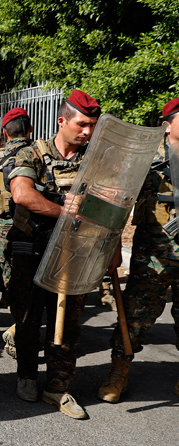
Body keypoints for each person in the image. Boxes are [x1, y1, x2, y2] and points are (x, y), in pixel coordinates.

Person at [6, 89, 105, 418]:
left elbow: (108, 205)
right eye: (82, 124)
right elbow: (22, 194)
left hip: (75, 253)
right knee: (27, 317)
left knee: (68, 322)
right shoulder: (32, 153)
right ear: (62, 121)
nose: (87, 132)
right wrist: (65, 211)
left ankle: (58, 387)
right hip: (32, 249)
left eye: (92, 126)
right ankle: (26, 376)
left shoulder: (93, 161)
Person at [98, 97, 179, 402]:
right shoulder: (146, 159)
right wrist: (112, 245)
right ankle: (118, 373)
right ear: (166, 125)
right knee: (135, 317)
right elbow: (117, 203)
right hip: (153, 257)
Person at [0, 108, 35, 359]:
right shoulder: (38, 154)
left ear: (4, 133)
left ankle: (19, 327)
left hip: (3, 226)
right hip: (35, 225)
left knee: (12, 278)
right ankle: (23, 329)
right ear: (30, 129)